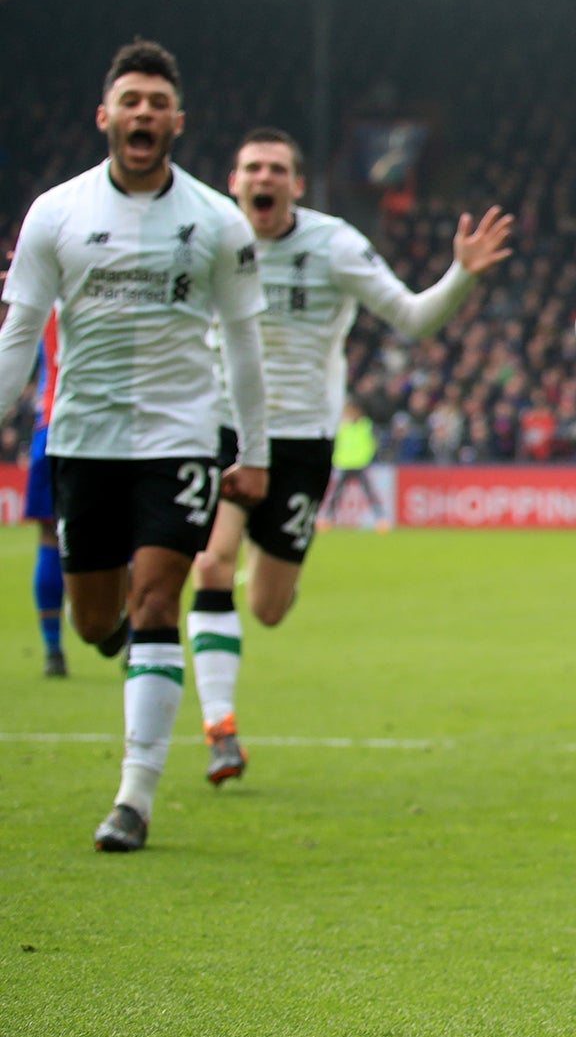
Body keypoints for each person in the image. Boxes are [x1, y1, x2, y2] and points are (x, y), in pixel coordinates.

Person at [0, 40, 270, 852]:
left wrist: (250, 450)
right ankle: (124, 650)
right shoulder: (57, 212)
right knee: (96, 621)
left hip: (179, 435)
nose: (144, 113)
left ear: (177, 121)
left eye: (158, 102)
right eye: (131, 100)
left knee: (157, 602)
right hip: (82, 436)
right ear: (105, 116)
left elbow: (245, 342)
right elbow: (18, 331)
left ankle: (134, 800)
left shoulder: (217, 220)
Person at [188, 127, 511, 784]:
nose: (265, 179)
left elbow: (414, 319)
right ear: (234, 181)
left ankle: (269, 555)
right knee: (210, 564)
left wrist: (461, 276)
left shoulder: (334, 243)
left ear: (297, 186)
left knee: (269, 608)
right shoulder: (208, 237)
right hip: (223, 426)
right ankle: (220, 729)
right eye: (252, 167)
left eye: (278, 169)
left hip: (304, 439)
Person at [27, 310, 66, 676]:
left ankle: (54, 650)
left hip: (52, 424)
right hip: (118, 429)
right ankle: (135, 641)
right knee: (131, 539)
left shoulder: (49, 295)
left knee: (50, 537)